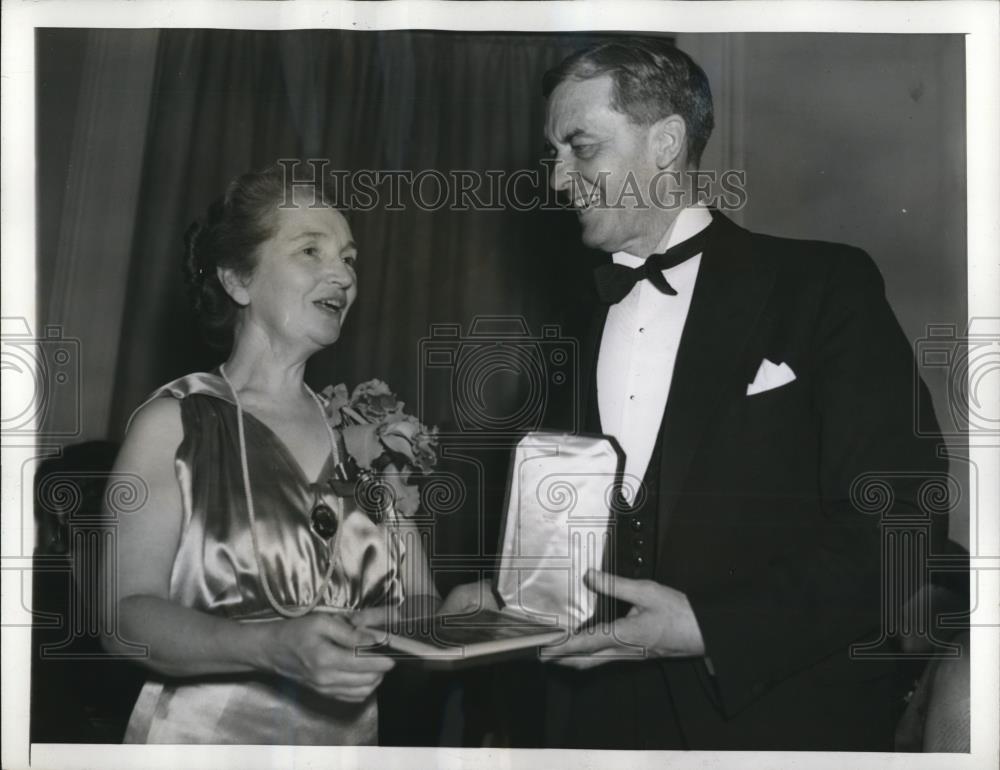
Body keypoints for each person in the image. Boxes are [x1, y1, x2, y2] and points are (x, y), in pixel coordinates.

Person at [444, 38, 949, 750]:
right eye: (552, 154)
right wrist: (510, 597)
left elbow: (904, 520)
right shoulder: (574, 328)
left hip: (776, 725)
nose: (557, 180)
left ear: (666, 144)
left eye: (581, 148)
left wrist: (711, 628)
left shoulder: (822, 288)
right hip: (594, 730)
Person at [102, 164, 437, 745]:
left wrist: (474, 613)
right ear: (238, 280)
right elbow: (123, 617)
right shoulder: (177, 422)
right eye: (311, 250)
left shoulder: (368, 435)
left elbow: (422, 605)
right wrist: (269, 647)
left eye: (350, 258)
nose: (343, 274)